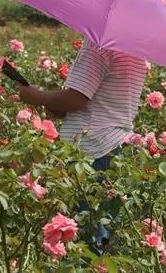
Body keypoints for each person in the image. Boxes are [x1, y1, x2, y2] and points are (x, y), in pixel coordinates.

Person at [17, 37, 147, 251]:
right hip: (117, 148)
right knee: (107, 236)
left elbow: (77, 98)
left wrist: (37, 96)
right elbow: (102, 100)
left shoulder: (99, 46)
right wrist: (59, 107)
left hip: (93, 151)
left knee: (87, 236)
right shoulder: (133, 50)